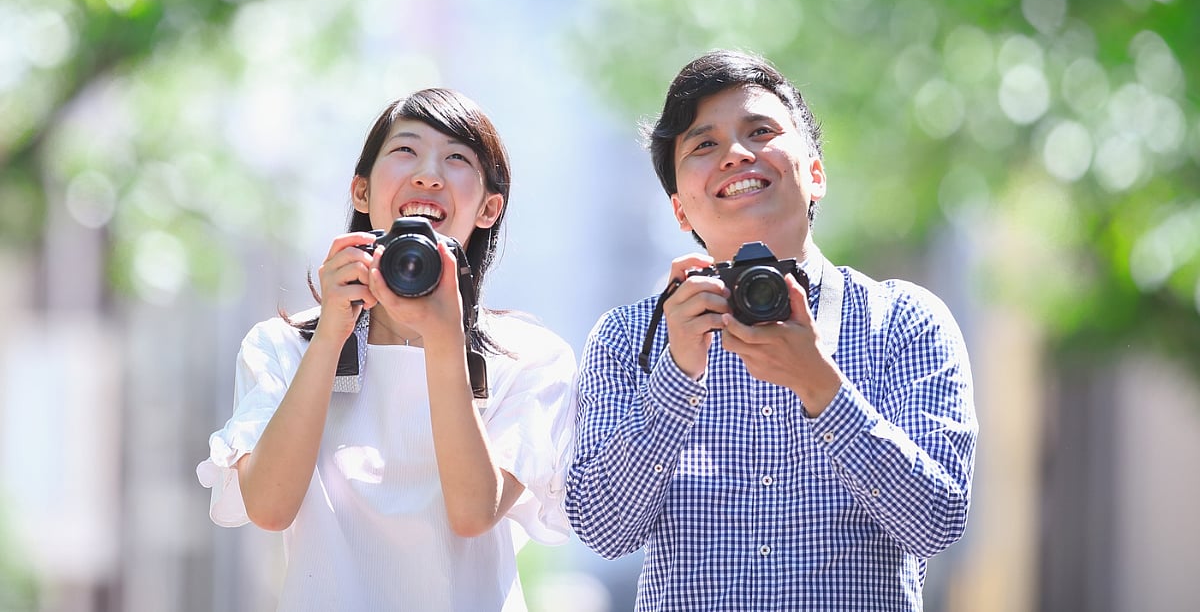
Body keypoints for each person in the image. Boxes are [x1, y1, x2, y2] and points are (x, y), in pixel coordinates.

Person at [566, 50, 977, 610]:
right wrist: (676, 377)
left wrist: (823, 389)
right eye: (703, 145)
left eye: (760, 131)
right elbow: (602, 529)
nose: (736, 154)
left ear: (815, 175)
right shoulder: (628, 337)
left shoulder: (906, 321)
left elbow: (939, 522)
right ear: (680, 210)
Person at [197, 88, 577, 611]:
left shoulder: (528, 357)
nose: (428, 175)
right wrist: (330, 333)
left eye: (457, 158)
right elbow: (269, 507)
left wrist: (443, 339)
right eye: (406, 150)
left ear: (490, 207)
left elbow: (473, 513)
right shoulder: (282, 346)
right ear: (361, 190)